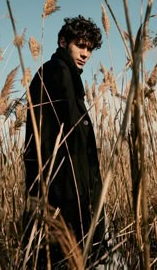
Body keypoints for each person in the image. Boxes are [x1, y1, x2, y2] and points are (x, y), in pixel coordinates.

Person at [23, 15, 107, 269]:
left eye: (89, 49)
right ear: (63, 42)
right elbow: (68, 140)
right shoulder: (57, 72)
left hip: (61, 189)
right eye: (80, 46)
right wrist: (83, 199)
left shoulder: (60, 74)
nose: (85, 54)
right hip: (66, 192)